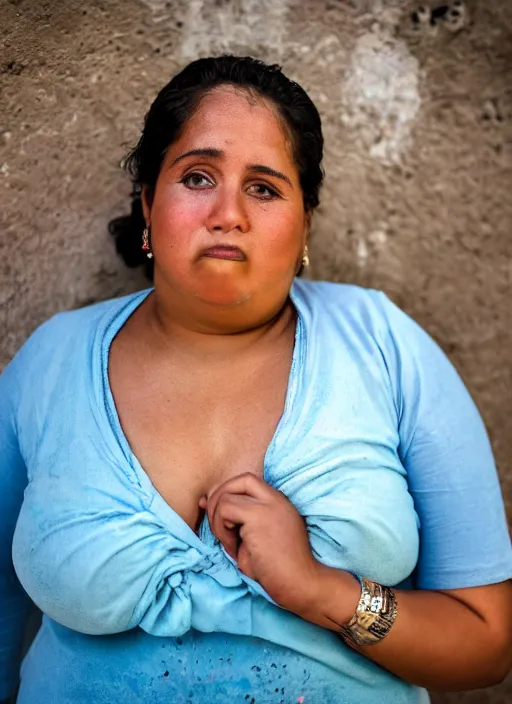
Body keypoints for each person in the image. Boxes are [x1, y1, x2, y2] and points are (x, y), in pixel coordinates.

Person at [1, 55, 511, 704]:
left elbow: (487, 644)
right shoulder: (51, 364)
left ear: (305, 227)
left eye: (264, 187)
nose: (229, 212)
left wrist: (322, 590)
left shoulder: (385, 348)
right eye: (197, 176)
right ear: (147, 206)